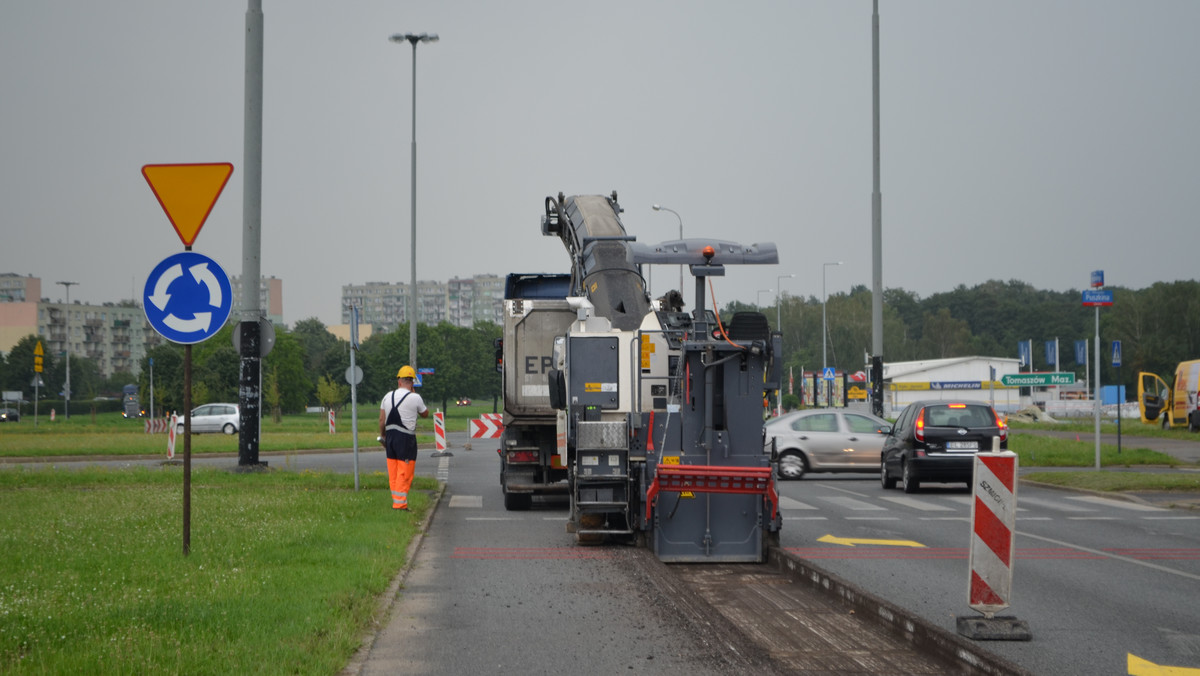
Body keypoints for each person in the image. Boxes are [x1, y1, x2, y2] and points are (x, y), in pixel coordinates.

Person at [379, 365, 429, 510]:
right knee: (405, 471)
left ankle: (396, 501)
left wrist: (383, 435)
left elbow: (382, 420)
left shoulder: (387, 396)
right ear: (412, 382)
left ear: (399, 381)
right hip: (406, 439)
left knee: (393, 471)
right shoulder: (415, 397)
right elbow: (425, 414)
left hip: (390, 437)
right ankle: (400, 505)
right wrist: (414, 395)